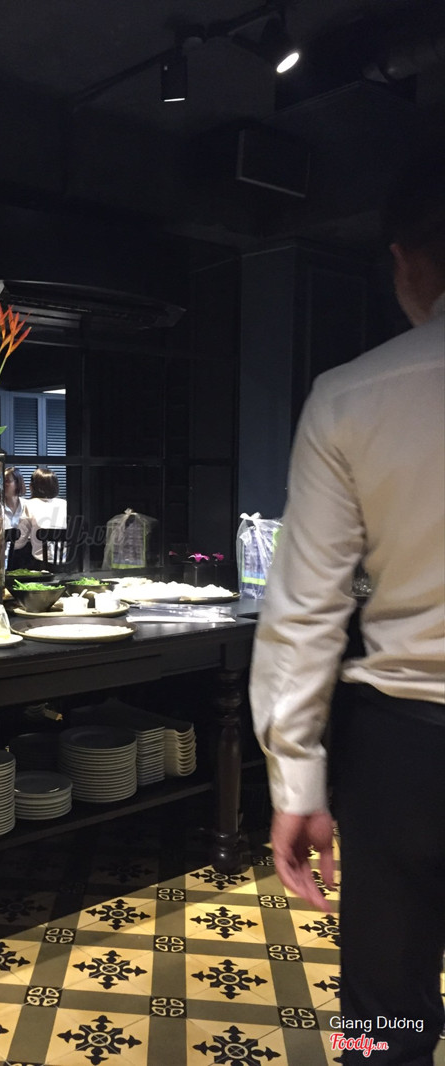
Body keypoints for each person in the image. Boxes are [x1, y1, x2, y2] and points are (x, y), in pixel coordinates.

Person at [249, 146, 445, 1066]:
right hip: (398, 747)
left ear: (406, 259)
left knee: (387, 1012)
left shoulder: (353, 396)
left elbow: (305, 613)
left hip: (405, 757)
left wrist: (297, 782)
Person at [17, 467, 67, 563]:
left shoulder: (29, 505)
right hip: (68, 561)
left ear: (31, 486)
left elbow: (19, 541)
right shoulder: (64, 504)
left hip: (40, 563)